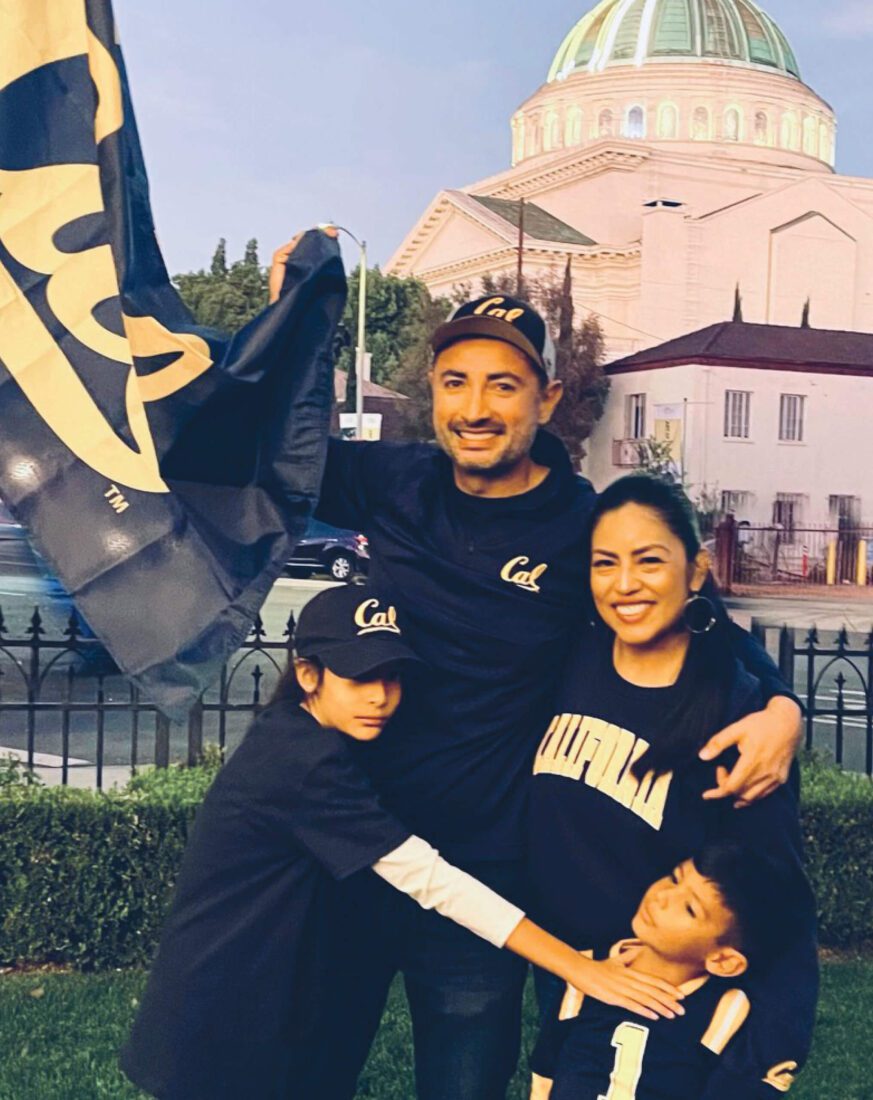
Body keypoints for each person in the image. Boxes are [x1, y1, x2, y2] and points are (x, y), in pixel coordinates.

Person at [269, 236, 803, 1099]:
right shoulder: (390, 480)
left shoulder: (582, 530)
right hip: (352, 847)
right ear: (432, 395)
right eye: (455, 383)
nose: (475, 408)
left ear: (548, 399)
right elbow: (267, 452)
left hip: (483, 873)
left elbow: (693, 616)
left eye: (503, 386)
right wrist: (292, 321)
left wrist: (780, 707)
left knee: (464, 1081)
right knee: (300, 1065)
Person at [120, 584, 684, 1100]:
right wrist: (580, 969)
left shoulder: (310, 735)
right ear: (308, 675)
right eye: (359, 677)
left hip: (279, 1000)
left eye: (393, 676)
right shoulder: (301, 760)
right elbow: (429, 880)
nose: (382, 696)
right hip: (230, 1015)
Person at [527, 475, 818, 1098]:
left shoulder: (736, 712)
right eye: (606, 563)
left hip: (668, 1005)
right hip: (571, 975)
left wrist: (773, 1058)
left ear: (695, 570)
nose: (624, 584)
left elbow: (777, 894)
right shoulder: (567, 658)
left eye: (649, 561)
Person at [529, 842, 813, 1100]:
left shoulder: (723, 1010)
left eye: (689, 908)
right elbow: (546, 1070)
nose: (663, 897)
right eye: (675, 878)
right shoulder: (587, 969)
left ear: (724, 960)